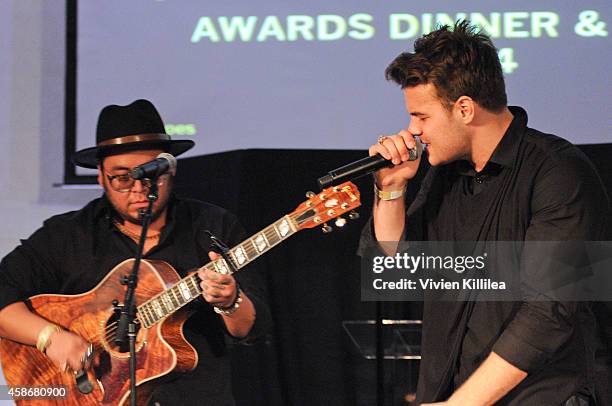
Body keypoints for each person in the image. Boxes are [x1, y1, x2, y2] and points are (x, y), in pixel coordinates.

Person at [359, 21, 610, 405]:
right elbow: (399, 270)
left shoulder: (559, 172)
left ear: (464, 108)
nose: (413, 131)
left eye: (421, 117)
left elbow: (549, 312)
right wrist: (391, 189)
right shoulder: (445, 176)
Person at [0, 99, 271, 405]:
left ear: (170, 170)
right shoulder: (66, 235)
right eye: (122, 177)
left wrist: (230, 300)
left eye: (150, 174)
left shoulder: (213, 225)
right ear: (102, 176)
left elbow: (252, 328)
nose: (139, 189)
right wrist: (50, 337)